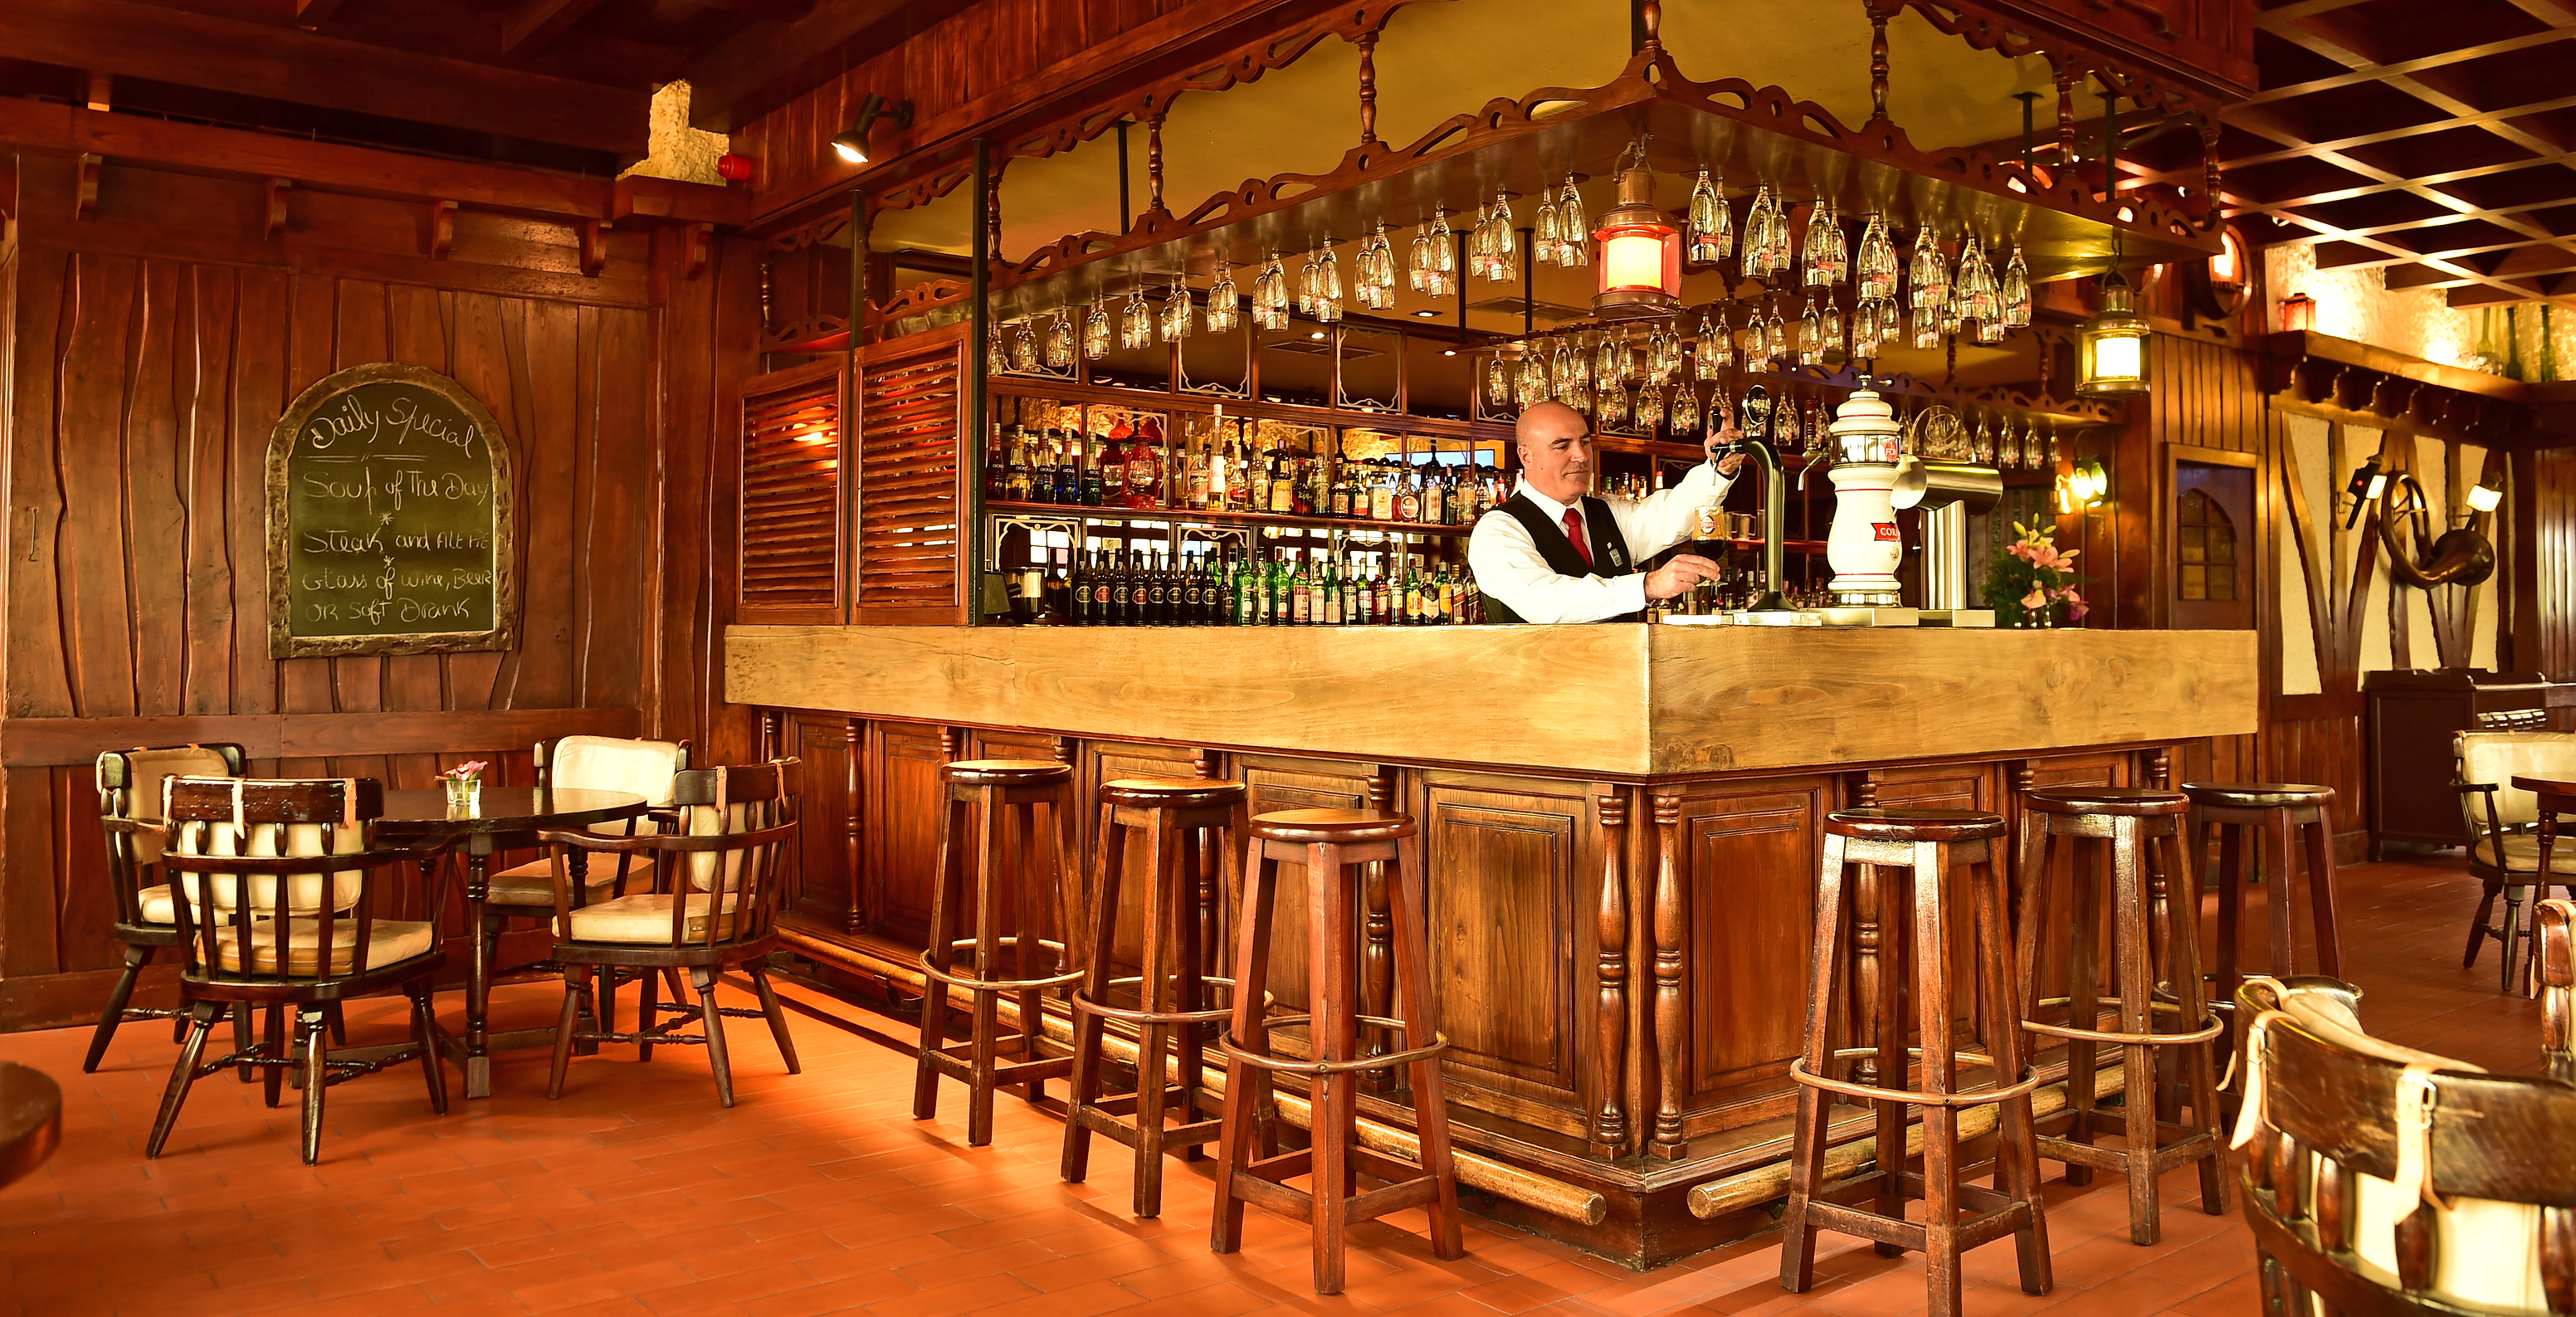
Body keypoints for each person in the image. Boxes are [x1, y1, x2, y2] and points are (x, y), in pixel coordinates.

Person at [1468, 400, 1745, 623]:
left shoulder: (1607, 513)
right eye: (1562, 446)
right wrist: (1646, 586)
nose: (1581, 456)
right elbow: (1546, 603)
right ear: (1526, 456)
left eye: (1585, 442)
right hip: (1538, 690)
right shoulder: (1499, 531)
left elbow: (1670, 516)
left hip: (1620, 685)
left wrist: (1720, 469)